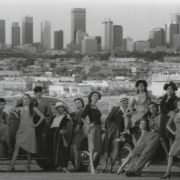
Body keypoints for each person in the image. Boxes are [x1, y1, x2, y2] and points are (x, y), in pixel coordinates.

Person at [7, 94, 44, 172]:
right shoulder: (20, 108)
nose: (26, 100)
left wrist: (36, 125)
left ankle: (28, 167)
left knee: (28, 149)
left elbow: (42, 117)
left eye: (27, 99)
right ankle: (11, 166)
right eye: (24, 99)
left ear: (29, 100)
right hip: (21, 130)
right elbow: (10, 109)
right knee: (16, 147)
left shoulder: (33, 108)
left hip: (30, 130)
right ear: (23, 100)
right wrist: (16, 113)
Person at [125, 102, 161, 177]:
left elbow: (160, 127)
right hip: (149, 134)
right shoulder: (150, 116)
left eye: (153, 107)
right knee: (135, 152)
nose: (152, 109)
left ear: (157, 107)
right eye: (150, 108)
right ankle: (136, 171)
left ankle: (134, 171)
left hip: (157, 134)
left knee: (146, 153)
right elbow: (140, 121)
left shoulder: (160, 116)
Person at [101, 94, 130, 173]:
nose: (123, 102)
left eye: (124, 100)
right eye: (121, 101)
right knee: (107, 148)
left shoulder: (131, 110)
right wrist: (113, 128)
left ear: (127, 101)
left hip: (125, 133)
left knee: (117, 150)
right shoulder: (116, 109)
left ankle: (112, 167)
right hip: (112, 133)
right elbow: (107, 121)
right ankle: (105, 167)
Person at [127, 80, 156, 145]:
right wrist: (131, 111)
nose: (141, 86)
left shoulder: (147, 94)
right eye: (139, 85)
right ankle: (127, 130)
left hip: (145, 111)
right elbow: (132, 104)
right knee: (127, 116)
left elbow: (155, 99)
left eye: (142, 85)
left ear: (145, 87)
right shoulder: (136, 95)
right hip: (137, 111)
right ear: (137, 87)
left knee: (139, 121)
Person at [46, 102, 72, 173]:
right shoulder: (54, 117)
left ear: (64, 108)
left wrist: (62, 131)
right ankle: (55, 165)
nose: (59, 109)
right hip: (51, 134)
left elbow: (68, 128)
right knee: (52, 150)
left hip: (59, 134)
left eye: (60, 107)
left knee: (60, 150)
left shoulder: (66, 117)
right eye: (57, 108)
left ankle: (63, 166)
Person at [81, 91, 102, 174]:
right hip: (92, 128)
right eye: (95, 95)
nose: (96, 97)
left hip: (99, 127)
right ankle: (92, 168)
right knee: (92, 148)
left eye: (97, 96)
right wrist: (88, 125)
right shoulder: (88, 106)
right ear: (91, 97)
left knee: (98, 148)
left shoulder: (96, 107)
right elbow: (82, 116)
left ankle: (90, 166)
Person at [161, 98, 180, 179]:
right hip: (178, 137)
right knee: (171, 154)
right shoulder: (174, 115)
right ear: (177, 106)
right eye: (179, 104)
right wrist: (173, 132)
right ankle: (167, 172)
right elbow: (167, 125)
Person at [32, 86, 53, 156]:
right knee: (34, 136)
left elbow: (49, 114)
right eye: (37, 93)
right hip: (33, 119)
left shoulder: (45, 102)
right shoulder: (32, 101)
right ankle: (35, 151)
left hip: (42, 120)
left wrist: (47, 121)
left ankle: (42, 152)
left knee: (42, 136)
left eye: (40, 92)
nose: (39, 94)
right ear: (35, 93)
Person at [159, 81, 177, 158]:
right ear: (166, 89)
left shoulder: (176, 99)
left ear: (174, 90)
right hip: (163, 117)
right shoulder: (164, 98)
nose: (169, 90)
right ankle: (167, 153)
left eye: (171, 89)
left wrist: (173, 111)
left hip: (170, 118)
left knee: (170, 137)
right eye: (168, 89)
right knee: (162, 138)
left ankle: (171, 155)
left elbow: (177, 108)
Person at [70, 98, 85, 172]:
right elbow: (69, 114)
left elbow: (80, 122)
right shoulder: (75, 112)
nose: (77, 104)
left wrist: (76, 129)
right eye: (75, 103)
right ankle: (76, 164)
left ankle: (77, 166)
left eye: (78, 103)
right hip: (74, 132)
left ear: (82, 103)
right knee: (74, 148)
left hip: (78, 132)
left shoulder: (81, 112)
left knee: (75, 147)